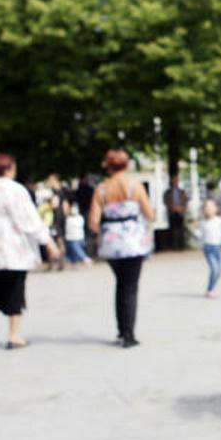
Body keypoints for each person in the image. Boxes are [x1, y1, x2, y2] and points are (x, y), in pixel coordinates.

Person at [0, 153, 59, 349]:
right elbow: (28, 219)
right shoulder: (14, 190)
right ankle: (14, 335)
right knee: (15, 290)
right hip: (14, 248)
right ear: (8, 168)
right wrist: (47, 241)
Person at [88, 148, 154, 348]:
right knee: (130, 287)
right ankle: (128, 335)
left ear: (108, 166)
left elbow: (93, 221)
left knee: (121, 285)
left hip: (111, 243)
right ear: (126, 165)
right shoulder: (135, 186)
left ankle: (121, 329)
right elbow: (149, 214)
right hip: (132, 242)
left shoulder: (101, 189)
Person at [194, 199, 221, 298]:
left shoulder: (219, 221)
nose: (209, 209)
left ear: (215, 209)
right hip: (208, 248)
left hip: (218, 247)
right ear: (204, 210)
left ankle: (213, 288)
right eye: (206, 208)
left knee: (219, 270)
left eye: (211, 207)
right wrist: (195, 229)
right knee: (214, 269)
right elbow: (199, 236)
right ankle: (210, 289)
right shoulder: (203, 223)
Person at [162, 174, 187, 251]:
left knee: (180, 229)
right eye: (174, 181)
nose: (175, 182)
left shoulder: (182, 192)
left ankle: (181, 246)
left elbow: (185, 201)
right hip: (172, 212)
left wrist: (181, 208)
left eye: (177, 181)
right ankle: (174, 246)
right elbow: (165, 201)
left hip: (180, 212)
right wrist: (172, 207)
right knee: (173, 229)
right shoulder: (168, 192)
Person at [63, 202, 91, 267]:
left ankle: (84, 258)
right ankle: (74, 262)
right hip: (70, 237)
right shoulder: (68, 218)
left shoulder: (80, 218)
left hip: (79, 237)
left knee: (77, 249)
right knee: (73, 250)